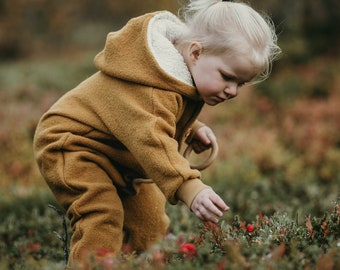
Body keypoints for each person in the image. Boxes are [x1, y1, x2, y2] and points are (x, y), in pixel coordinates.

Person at [33, 0, 280, 266]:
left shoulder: (179, 75)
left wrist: (190, 130)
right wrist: (190, 188)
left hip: (118, 151)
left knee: (150, 223)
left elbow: (148, 118)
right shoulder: (154, 85)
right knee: (102, 214)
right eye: (227, 77)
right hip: (72, 144)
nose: (233, 91)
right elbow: (150, 136)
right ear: (196, 53)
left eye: (241, 83)